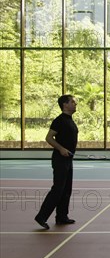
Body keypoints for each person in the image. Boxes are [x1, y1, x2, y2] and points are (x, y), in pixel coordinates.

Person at [34, 95, 79, 229]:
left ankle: (61, 216)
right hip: (60, 159)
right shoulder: (59, 120)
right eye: (72, 102)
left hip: (68, 159)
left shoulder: (70, 120)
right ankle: (41, 217)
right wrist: (61, 149)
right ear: (65, 105)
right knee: (58, 189)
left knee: (66, 189)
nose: (75, 104)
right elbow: (49, 138)